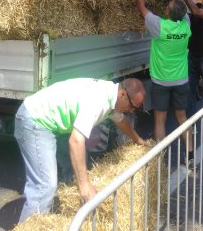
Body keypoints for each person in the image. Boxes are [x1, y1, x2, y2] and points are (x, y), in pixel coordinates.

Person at [14, 77, 148, 222]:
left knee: (75, 169)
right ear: (123, 94)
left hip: (55, 122)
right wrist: (84, 186)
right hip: (34, 120)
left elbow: (122, 121)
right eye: (132, 106)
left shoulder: (111, 97)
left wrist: (138, 140)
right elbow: (76, 140)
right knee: (44, 186)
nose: (131, 111)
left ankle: (72, 219)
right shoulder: (100, 100)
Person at [135, 0, 194, 162]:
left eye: (167, 7)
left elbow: (141, 7)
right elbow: (182, 6)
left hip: (161, 81)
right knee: (182, 118)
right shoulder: (186, 25)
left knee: (159, 119)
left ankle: (159, 158)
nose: (165, 8)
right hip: (181, 80)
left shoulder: (159, 26)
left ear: (168, 13)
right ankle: (191, 156)